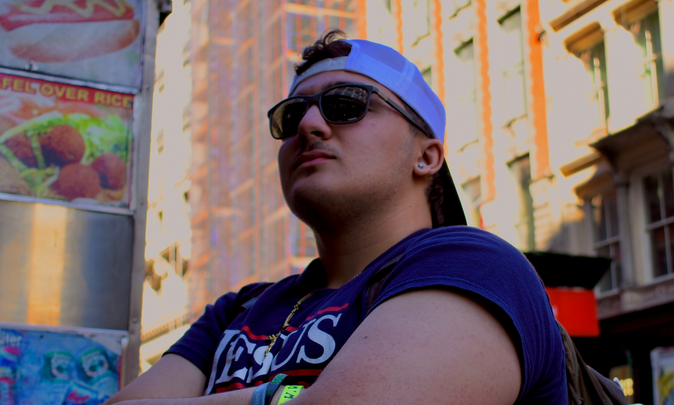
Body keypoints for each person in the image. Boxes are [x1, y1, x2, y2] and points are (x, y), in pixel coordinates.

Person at [107, 31, 567, 405]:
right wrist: (286, 399)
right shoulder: (236, 310)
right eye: (291, 117)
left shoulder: (476, 266)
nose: (308, 126)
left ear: (426, 157)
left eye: (347, 105)